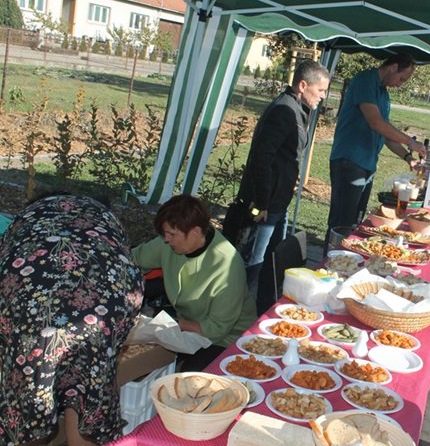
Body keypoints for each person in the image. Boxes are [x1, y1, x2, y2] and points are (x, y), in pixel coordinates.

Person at [0, 194, 144, 445]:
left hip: (31, 304)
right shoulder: (104, 215)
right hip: (104, 306)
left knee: (29, 388)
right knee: (87, 379)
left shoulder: (30, 215)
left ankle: (30, 433)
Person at [229, 59, 330, 315]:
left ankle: (262, 309)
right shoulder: (284, 111)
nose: (323, 97)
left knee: (272, 260)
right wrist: (261, 203)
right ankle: (233, 312)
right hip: (267, 201)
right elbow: (261, 158)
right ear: (303, 85)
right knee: (255, 260)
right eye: (320, 91)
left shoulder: (296, 108)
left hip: (277, 199)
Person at [133, 194, 256, 371]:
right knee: (140, 359)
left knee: (188, 380)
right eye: (165, 233)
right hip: (188, 325)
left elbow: (217, 328)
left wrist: (173, 325)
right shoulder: (167, 243)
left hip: (227, 337)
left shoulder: (227, 265)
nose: (166, 239)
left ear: (195, 232)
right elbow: (134, 259)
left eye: (171, 234)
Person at [325, 53, 427, 251]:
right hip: (350, 160)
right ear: (392, 67)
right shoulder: (365, 81)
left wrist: (408, 158)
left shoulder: (383, 93)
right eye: (401, 78)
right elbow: (376, 122)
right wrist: (410, 142)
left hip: (367, 164)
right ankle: (329, 262)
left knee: (356, 221)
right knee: (342, 222)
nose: (400, 85)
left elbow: (386, 133)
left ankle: (344, 259)